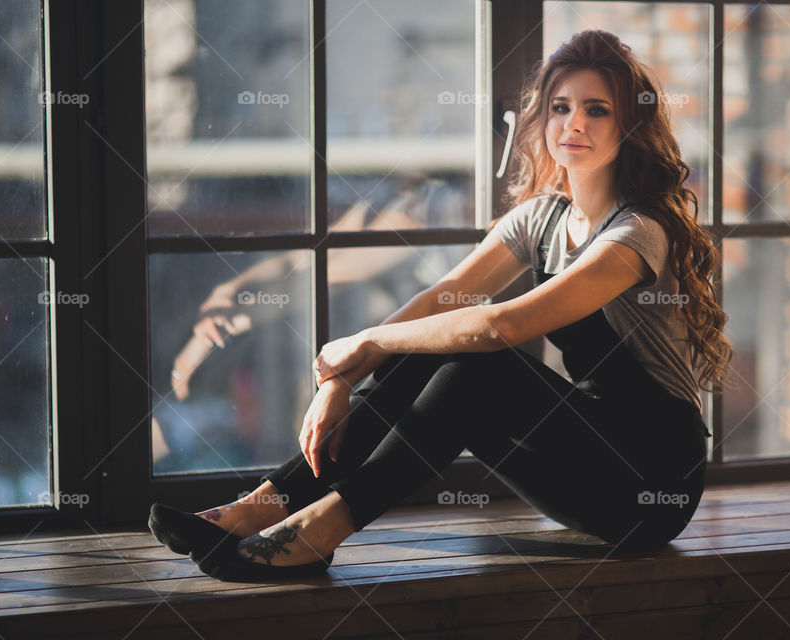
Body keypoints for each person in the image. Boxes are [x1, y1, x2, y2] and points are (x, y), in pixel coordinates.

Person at [148, 29, 735, 582]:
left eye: (597, 110)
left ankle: (315, 532)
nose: (573, 123)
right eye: (561, 107)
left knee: (474, 360)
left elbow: (502, 325)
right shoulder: (542, 217)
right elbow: (438, 301)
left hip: (650, 485)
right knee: (433, 340)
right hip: (581, 465)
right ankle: (265, 505)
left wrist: (368, 343)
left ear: (629, 125)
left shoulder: (637, 233)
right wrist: (339, 378)